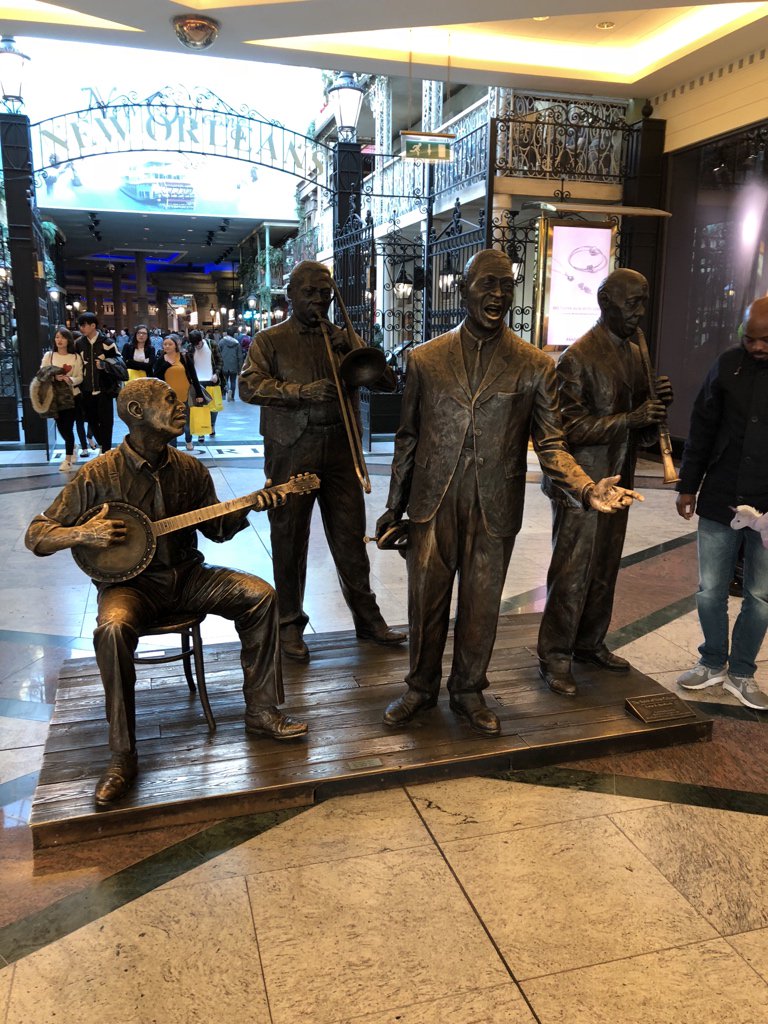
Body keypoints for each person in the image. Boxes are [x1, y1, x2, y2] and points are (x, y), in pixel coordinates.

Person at [375, 249, 640, 736]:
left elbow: (552, 444)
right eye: (487, 284)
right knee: (425, 602)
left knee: (481, 605)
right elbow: (408, 437)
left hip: (494, 505)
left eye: (506, 285)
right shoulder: (426, 359)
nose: (497, 294)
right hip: (433, 503)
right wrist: (395, 506)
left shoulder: (534, 364)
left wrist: (585, 488)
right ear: (464, 290)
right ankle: (419, 687)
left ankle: (468, 689)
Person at [25, 378, 308, 807]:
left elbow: (216, 530)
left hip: (188, 577)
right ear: (136, 412)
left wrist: (252, 505)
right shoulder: (98, 474)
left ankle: (262, 710)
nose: (182, 406)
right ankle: (122, 755)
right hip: (130, 588)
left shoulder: (190, 469)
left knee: (260, 596)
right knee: (112, 630)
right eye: (170, 399)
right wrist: (82, 533)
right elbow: (37, 534)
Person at [240, 260, 406, 661]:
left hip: (339, 448)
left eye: (325, 293)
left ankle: (367, 618)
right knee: (289, 538)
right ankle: (289, 624)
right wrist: (299, 392)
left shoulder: (341, 336)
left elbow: (387, 383)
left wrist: (353, 346)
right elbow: (249, 385)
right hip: (291, 450)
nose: (318, 299)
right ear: (290, 295)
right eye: (309, 292)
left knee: (350, 538)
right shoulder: (269, 340)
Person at [537, 269, 673, 696]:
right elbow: (569, 429)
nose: (639, 312)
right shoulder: (577, 357)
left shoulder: (634, 351)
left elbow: (639, 432)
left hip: (619, 478)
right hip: (582, 485)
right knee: (572, 572)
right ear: (605, 302)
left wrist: (654, 411)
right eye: (632, 303)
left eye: (643, 302)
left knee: (605, 568)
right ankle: (555, 656)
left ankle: (590, 643)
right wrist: (631, 418)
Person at [675, 297, 768, 710]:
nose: (757, 347)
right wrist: (687, 486)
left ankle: (742, 672)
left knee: (760, 595)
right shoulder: (727, 365)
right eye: (750, 339)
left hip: (767, 507)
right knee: (710, 589)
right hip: (720, 498)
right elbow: (702, 427)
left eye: (766, 340)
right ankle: (712, 660)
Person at [37, 327, 85, 472]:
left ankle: (68, 459)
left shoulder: (75, 357)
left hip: (72, 396)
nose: (59, 340)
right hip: (55, 397)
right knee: (61, 427)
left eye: (63, 337)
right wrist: (53, 377)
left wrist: (70, 379)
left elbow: (80, 377)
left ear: (68, 340)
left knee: (68, 427)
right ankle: (73, 446)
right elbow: (41, 374)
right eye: (57, 337)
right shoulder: (49, 356)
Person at [76, 311, 120, 452]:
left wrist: (104, 365)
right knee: (92, 421)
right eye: (80, 325)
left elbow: (119, 362)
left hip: (105, 389)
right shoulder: (79, 344)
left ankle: (106, 451)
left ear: (93, 325)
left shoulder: (107, 343)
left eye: (84, 325)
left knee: (107, 422)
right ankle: (103, 445)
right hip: (86, 390)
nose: (81, 328)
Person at [153, 334, 205, 451]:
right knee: (171, 422)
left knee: (186, 422)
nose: (167, 346)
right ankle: (173, 446)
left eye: (170, 344)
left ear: (176, 345)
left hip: (184, 395)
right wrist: (167, 365)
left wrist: (199, 394)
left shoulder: (184, 357)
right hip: (168, 397)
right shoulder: (161, 359)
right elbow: (156, 376)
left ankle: (188, 440)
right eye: (165, 344)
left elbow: (193, 376)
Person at [188, 330, 222, 440]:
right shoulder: (190, 348)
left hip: (212, 381)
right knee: (200, 408)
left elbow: (219, 361)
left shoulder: (212, 344)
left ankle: (212, 426)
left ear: (201, 339)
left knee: (213, 407)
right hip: (197, 382)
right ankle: (201, 432)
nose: (197, 346)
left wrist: (216, 374)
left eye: (198, 343)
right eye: (195, 344)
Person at [219, 330, 245, 400]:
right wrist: (240, 368)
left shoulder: (221, 342)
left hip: (224, 365)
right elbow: (240, 357)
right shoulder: (237, 343)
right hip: (234, 365)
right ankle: (232, 396)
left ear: (226, 333)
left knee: (224, 380)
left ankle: (226, 392)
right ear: (234, 334)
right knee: (233, 381)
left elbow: (218, 354)